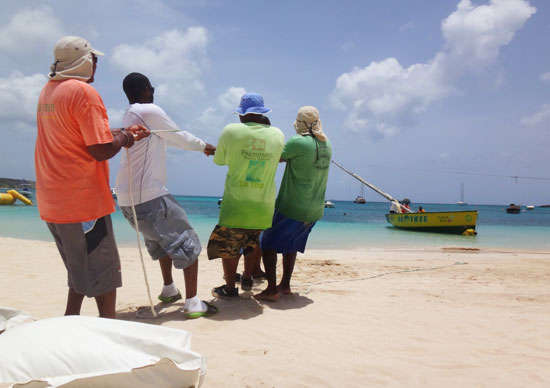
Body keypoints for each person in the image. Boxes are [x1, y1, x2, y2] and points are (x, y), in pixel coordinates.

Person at [35, 36, 150, 318]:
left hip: (53, 202)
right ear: (85, 61)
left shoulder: (49, 91)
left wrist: (122, 134)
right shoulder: (84, 93)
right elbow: (99, 151)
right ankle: (107, 329)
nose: (96, 65)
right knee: (104, 273)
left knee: (79, 269)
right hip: (83, 203)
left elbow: (78, 140)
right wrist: (124, 137)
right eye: (94, 59)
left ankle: (69, 322)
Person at [115, 72, 217, 318]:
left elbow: (167, 139)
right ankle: (193, 303)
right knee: (187, 241)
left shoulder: (131, 114)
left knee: (161, 242)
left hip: (128, 197)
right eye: (152, 88)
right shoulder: (148, 110)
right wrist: (205, 146)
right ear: (146, 90)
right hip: (148, 194)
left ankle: (169, 289)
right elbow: (178, 136)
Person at [207, 93, 284, 299]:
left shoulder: (231, 130)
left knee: (228, 246)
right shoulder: (277, 134)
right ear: (262, 114)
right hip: (264, 203)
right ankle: (248, 278)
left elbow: (220, 161)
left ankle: (231, 288)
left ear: (242, 114)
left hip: (236, 201)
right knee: (253, 242)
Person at [255, 106, 332, 302]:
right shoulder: (327, 144)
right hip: (314, 209)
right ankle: (285, 285)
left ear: (299, 123)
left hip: (293, 205)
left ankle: (271, 289)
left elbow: (277, 157)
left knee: (267, 243)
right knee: (291, 244)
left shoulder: (298, 141)